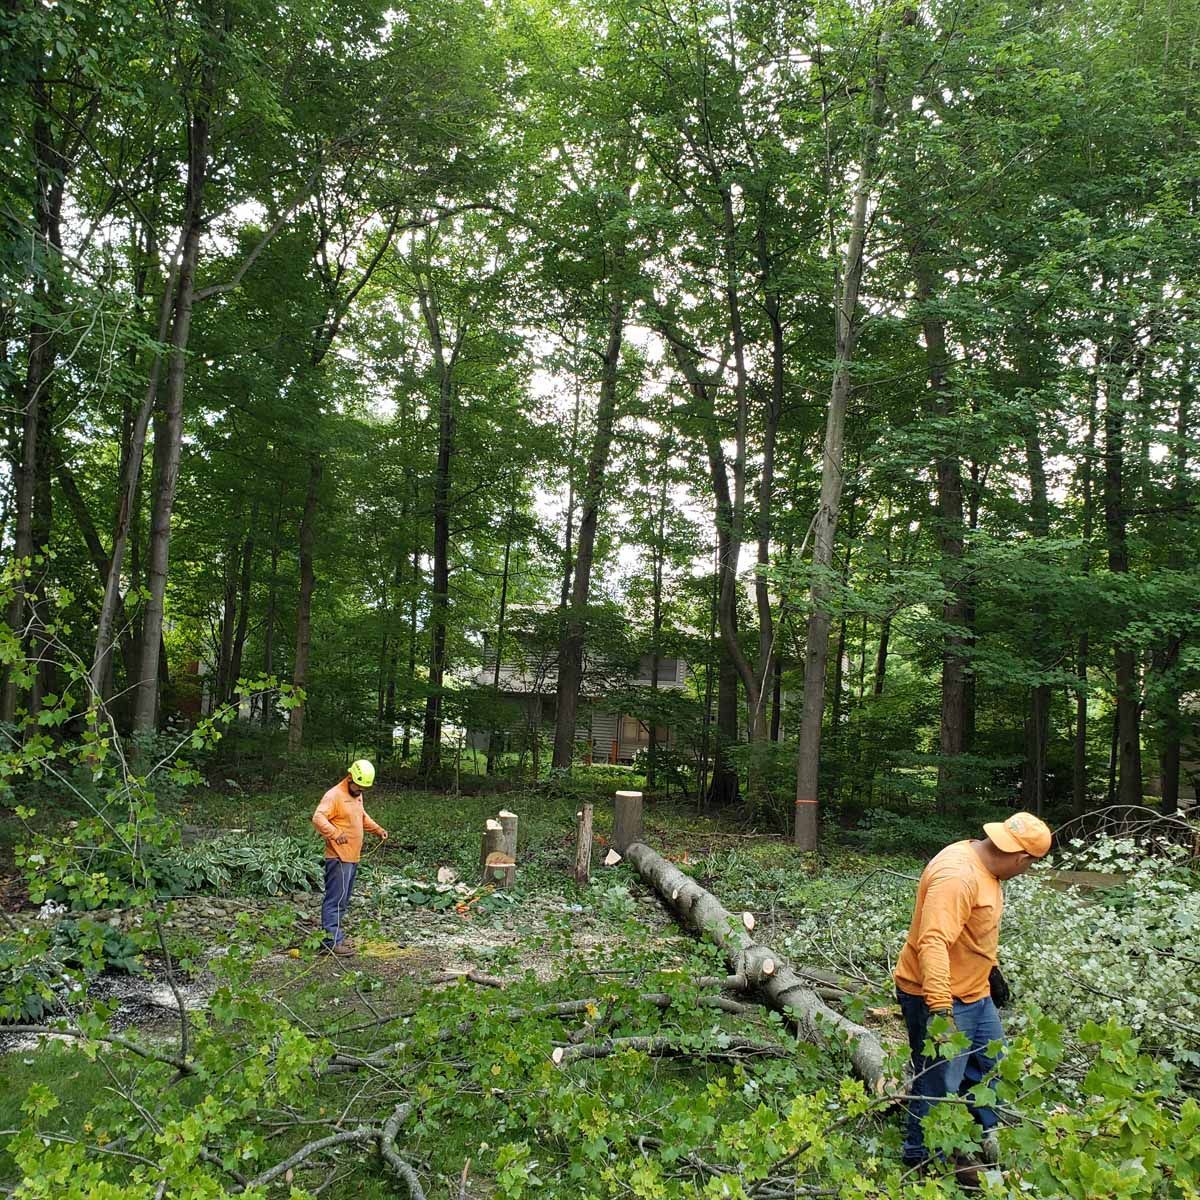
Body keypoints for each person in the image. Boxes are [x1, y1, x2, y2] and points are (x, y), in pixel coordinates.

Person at [893, 811, 1051, 1186]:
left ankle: (976, 1138)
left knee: (989, 1061)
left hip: (975, 993)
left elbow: (970, 932)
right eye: (1031, 865)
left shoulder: (985, 867)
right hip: (939, 995)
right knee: (936, 1081)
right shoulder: (958, 876)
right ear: (1021, 858)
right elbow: (932, 942)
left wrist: (990, 971)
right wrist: (942, 1011)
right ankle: (925, 1161)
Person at [311, 759, 388, 956]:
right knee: (335, 900)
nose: (360, 790)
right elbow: (318, 818)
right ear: (350, 777)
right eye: (358, 786)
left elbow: (361, 817)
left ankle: (336, 936)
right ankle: (331, 942)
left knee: (343, 900)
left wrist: (377, 830)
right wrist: (335, 834)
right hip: (338, 858)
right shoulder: (334, 795)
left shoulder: (357, 796)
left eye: (364, 788)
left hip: (352, 857)